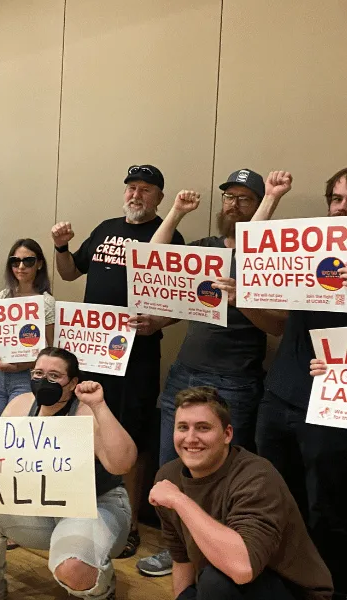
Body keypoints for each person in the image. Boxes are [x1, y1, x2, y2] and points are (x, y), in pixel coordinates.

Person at [137, 169, 293, 576]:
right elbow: (153, 267)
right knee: (172, 469)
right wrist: (175, 212)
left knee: (221, 475)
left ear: (258, 205)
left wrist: (245, 298)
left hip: (235, 382)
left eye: (246, 199)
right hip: (184, 374)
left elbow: (278, 326)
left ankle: (217, 553)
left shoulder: (268, 258)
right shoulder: (205, 247)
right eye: (230, 197)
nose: (234, 205)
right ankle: (177, 552)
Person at [51, 164, 184, 557]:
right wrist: (60, 246)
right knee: (83, 427)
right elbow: (71, 272)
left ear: (159, 197)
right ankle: (81, 506)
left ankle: (126, 523)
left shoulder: (170, 236)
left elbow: (185, 302)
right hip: (92, 351)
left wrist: (157, 320)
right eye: (131, 188)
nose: (135, 195)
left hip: (138, 355)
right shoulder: (106, 227)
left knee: (134, 435)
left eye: (145, 189)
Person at [0, 347, 136, 600]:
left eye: (54, 376)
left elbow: (122, 465)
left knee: (74, 569)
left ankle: (100, 589)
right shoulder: (19, 406)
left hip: (94, 505)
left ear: (73, 383)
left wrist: (99, 405)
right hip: (41, 505)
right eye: (39, 373)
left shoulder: (86, 411)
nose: (44, 381)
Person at [256, 167, 347, 600]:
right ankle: (286, 582)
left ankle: (328, 587)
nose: (342, 206)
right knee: (278, 498)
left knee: (326, 508)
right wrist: (271, 198)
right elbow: (255, 256)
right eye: (336, 198)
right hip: (280, 396)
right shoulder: (310, 252)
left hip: (334, 406)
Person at [151, 386, 333, 600]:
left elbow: (241, 568)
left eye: (202, 428)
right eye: (183, 427)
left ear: (227, 434)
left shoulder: (257, 477)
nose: (190, 438)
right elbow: (182, 558)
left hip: (293, 591)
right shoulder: (169, 476)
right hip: (228, 583)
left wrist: (179, 500)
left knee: (216, 582)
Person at [0, 238, 55, 417]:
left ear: (40, 264)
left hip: (26, 376)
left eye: (28, 261)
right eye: (15, 261)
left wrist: (19, 366)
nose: (21, 266)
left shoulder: (46, 302)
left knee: (18, 432)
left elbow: (50, 350)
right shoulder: (4, 295)